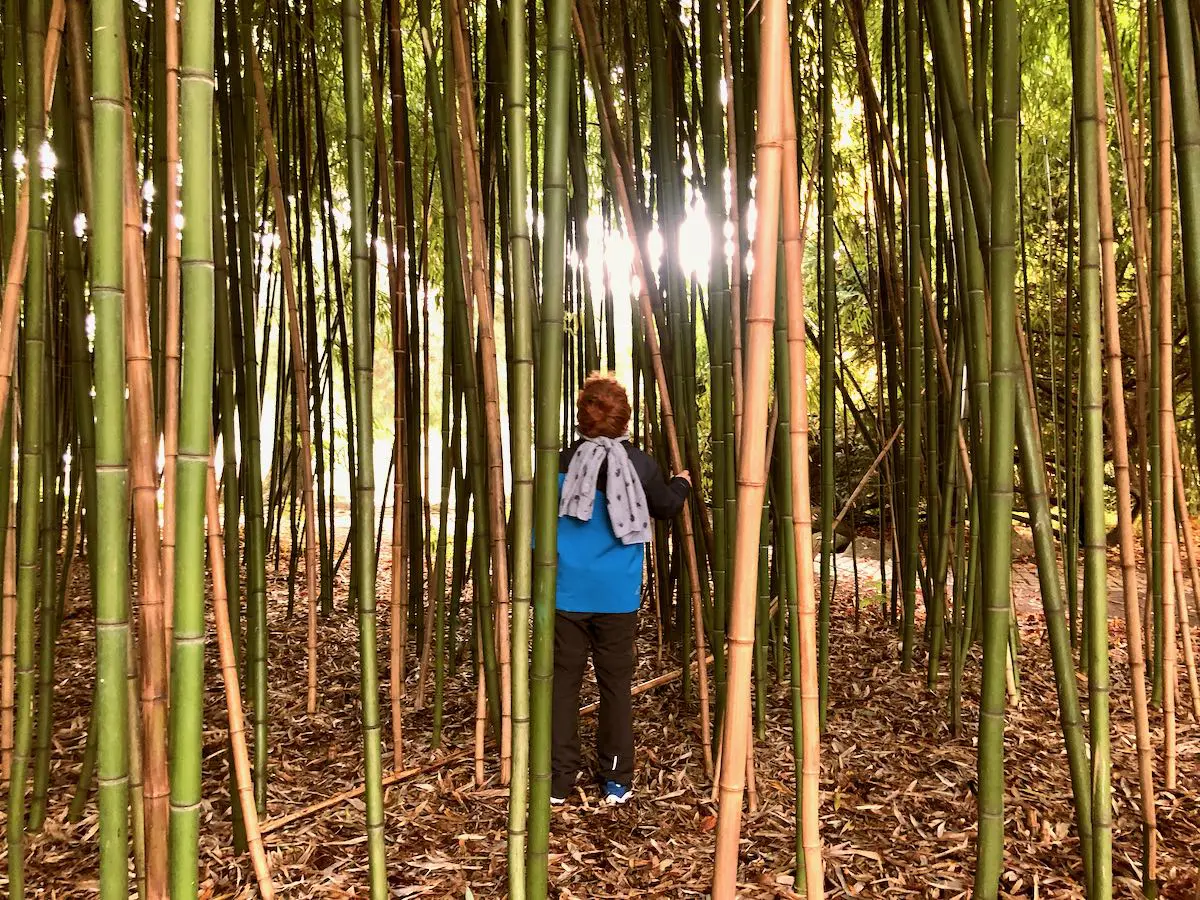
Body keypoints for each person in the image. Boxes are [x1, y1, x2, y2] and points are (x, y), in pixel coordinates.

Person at [552, 372, 691, 806]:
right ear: (625, 419)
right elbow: (667, 506)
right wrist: (682, 481)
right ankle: (616, 780)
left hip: (566, 594)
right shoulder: (640, 464)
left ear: (582, 418)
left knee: (562, 685)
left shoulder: (560, 460)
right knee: (615, 686)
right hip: (616, 596)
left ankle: (559, 781)